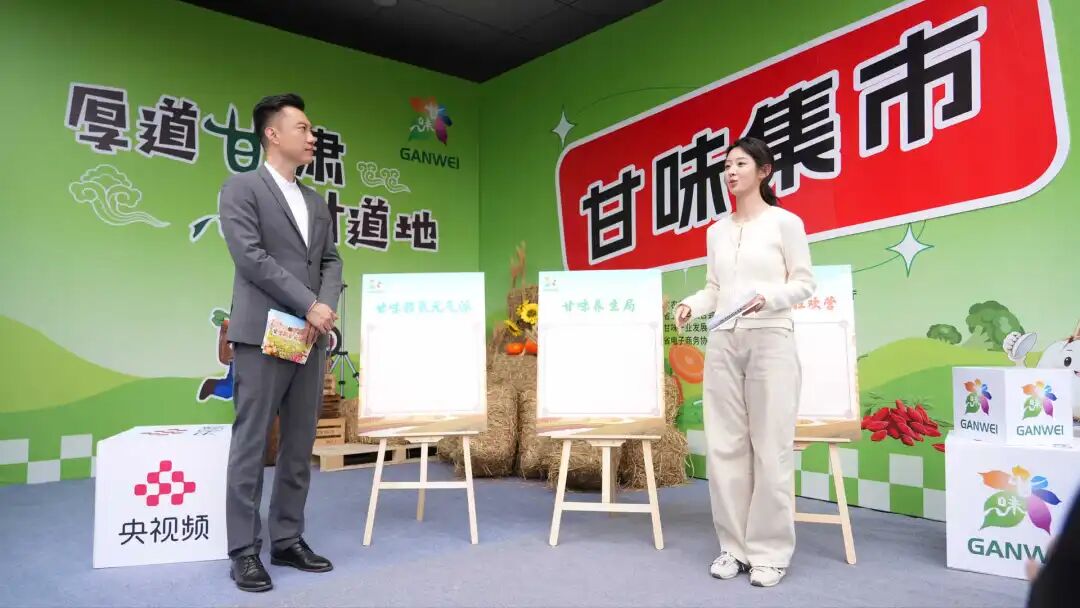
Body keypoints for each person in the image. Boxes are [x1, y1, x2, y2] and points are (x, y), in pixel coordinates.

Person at [674, 137, 815, 588]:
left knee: (771, 447)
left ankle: (770, 553)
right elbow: (715, 289)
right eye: (727, 165)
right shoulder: (717, 231)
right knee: (725, 448)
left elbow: (804, 284)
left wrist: (767, 297)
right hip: (723, 341)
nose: (731, 172)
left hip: (771, 338)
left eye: (740, 164)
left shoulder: (785, 223)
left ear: (764, 170)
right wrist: (693, 305)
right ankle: (733, 547)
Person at [218, 93, 343, 593]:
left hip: (310, 336)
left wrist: (323, 307)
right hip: (263, 333)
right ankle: (243, 550)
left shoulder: (315, 201)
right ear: (272, 134)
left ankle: (287, 538)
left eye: (312, 130)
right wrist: (308, 303)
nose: (312, 137)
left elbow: (331, 259)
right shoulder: (242, 188)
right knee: (253, 442)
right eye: (303, 128)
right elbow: (250, 257)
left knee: (298, 442)